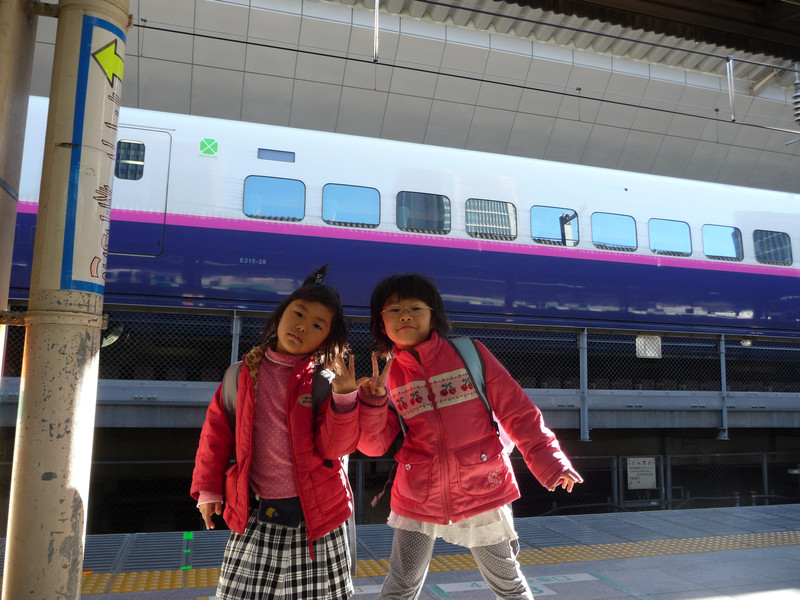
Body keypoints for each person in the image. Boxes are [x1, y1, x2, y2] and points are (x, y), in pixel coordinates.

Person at [357, 273, 583, 600]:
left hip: (482, 486)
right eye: (393, 310)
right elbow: (374, 445)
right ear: (381, 323)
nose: (404, 316)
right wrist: (373, 404)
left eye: (415, 308)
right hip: (417, 494)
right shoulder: (388, 378)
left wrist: (552, 461)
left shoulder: (470, 354)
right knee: (400, 586)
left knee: (508, 584)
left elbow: (518, 412)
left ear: (433, 315)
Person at [191, 265, 362, 600]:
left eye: (317, 325)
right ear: (281, 314)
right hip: (256, 513)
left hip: (317, 520)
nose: (303, 326)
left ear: (327, 339)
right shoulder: (241, 375)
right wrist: (208, 490)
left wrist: (344, 399)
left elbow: (334, 449)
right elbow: (215, 435)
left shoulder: (324, 383)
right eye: (298, 313)